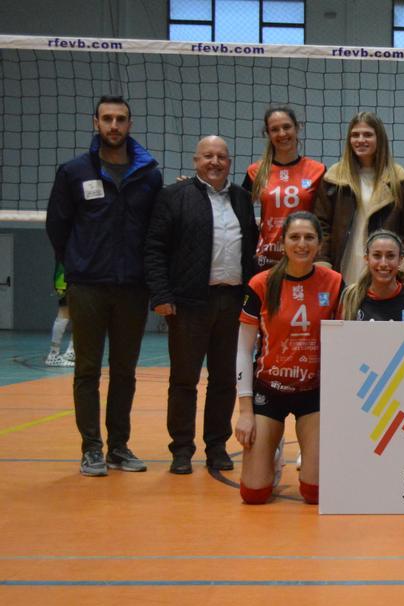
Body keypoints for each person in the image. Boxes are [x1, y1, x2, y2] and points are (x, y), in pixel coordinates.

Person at [45, 95, 163, 477]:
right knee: (87, 371)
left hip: (132, 287)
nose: (114, 125)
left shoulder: (149, 174)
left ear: (130, 124)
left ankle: (119, 447)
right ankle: (91, 449)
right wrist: (80, 265)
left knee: (125, 371)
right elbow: (57, 227)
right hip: (88, 287)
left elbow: (154, 232)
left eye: (121, 119)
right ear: (94, 122)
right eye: (107, 119)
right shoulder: (74, 172)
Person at [145, 135, 258, 475]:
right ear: (195, 161)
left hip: (233, 300)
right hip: (190, 302)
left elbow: (249, 247)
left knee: (225, 380)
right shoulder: (173, 196)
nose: (215, 162)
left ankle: (216, 446)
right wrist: (162, 294)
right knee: (184, 380)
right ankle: (181, 449)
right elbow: (154, 248)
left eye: (221, 156)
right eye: (208, 156)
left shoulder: (242, 198)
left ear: (229, 162)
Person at [235, 212, 343, 505]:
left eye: (309, 237)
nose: (302, 244)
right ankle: (273, 445)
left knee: (314, 494)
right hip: (269, 391)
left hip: (313, 393)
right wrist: (245, 411)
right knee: (254, 494)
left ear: (319, 244)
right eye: (294, 237)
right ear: (282, 242)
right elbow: (243, 350)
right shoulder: (262, 283)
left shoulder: (335, 283)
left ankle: (302, 453)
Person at [314, 111, 404, 284]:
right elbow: (321, 225)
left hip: (383, 267)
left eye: (368, 135)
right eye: (355, 135)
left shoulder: (399, 178)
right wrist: (323, 265)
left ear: (379, 138)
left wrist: (403, 270)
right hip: (343, 265)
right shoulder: (334, 177)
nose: (360, 140)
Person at [243, 105, 326, 272]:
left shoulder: (317, 170)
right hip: (267, 259)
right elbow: (238, 210)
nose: (282, 134)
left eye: (287, 127)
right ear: (267, 134)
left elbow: (326, 218)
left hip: (304, 256)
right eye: (275, 129)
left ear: (297, 127)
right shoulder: (256, 171)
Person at [341, 230, 404, 322]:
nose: (383, 263)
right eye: (377, 255)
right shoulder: (349, 297)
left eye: (390, 256)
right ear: (367, 259)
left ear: (400, 260)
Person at [45, 262, 75, 367]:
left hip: (74, 274)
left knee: (78, 311)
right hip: (65, 275)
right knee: (64, 310)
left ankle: (71, 351)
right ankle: (53, 354)